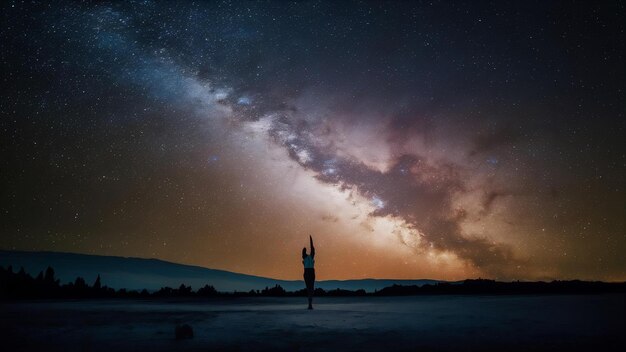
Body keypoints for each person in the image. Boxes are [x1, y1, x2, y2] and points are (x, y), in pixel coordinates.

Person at [302, 235, 315, 309]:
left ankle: (310, 304)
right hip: (310, 271)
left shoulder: (305, 257)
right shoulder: (310, 257)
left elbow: (312, 249)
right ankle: (310, 304)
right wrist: (311, 241)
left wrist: (311, 241)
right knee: (311, 288)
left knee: (309, 288)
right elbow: (312, 249)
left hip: (307, 271)